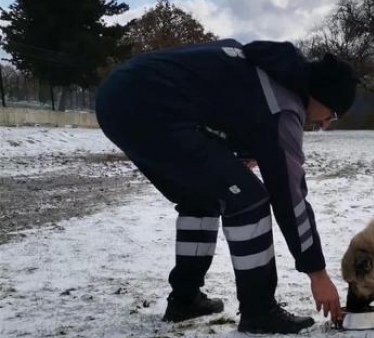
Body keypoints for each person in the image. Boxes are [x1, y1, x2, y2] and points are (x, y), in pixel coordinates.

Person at [94, 38, 358, 334]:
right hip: (150, 109)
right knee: (250, 200)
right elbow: (291, 196)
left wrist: (242, 152)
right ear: (320, 95)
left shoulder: (267, 70)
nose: (325, 124)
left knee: (202, 199)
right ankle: (259, 312)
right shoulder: (284, 107)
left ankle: (185, 299)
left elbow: (219, 97)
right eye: (332, 114)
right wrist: (317, 272)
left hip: (117, 98)